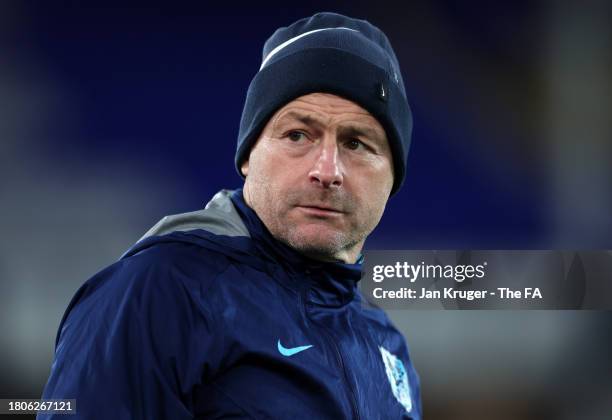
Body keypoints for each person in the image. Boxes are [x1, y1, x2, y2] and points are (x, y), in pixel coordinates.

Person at [39, 12, 422, 420]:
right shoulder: (162, 290)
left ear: (393, 175)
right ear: (248, 155)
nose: (327, 171)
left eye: (357, 143)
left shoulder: (386, 346)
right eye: (297, 135)